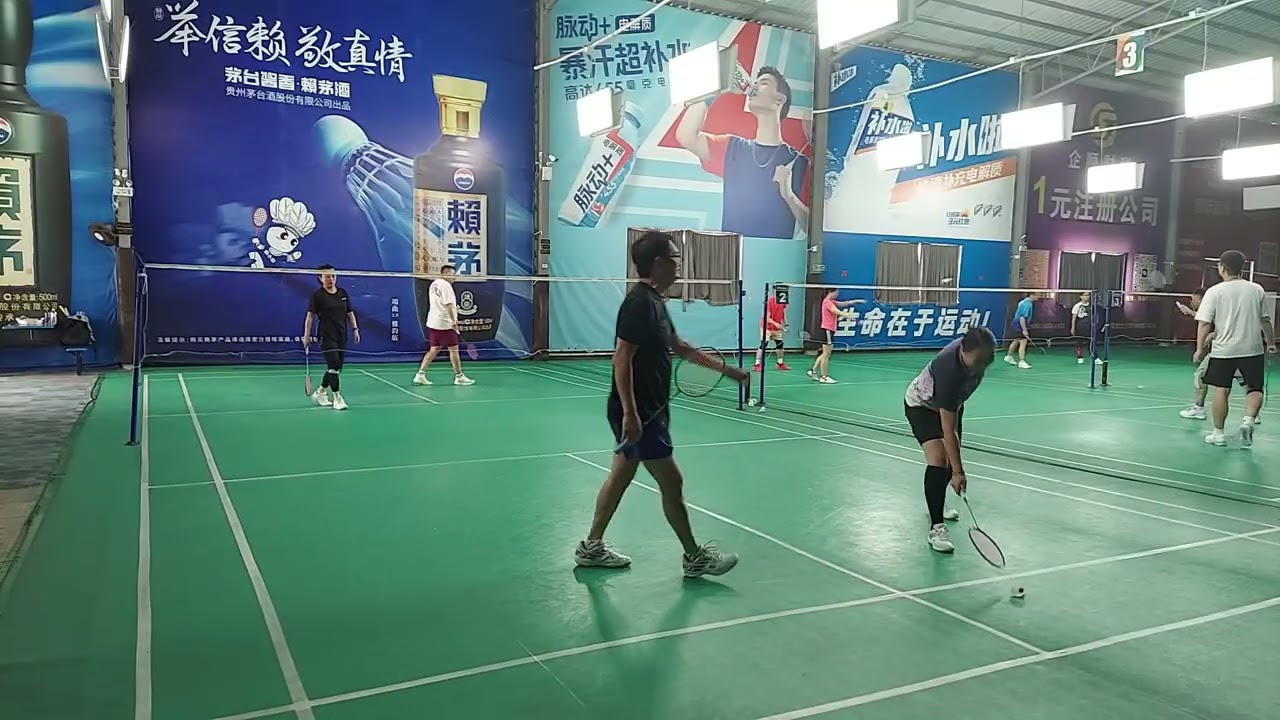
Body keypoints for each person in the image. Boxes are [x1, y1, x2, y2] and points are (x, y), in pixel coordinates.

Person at [574, 231, 749, 578]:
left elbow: (679, 346)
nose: (678, 266)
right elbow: (621, 359)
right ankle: (694, 556)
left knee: (620, 477)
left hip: (647, 409)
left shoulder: (655, 302)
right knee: (673, 483)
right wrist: (631, 413)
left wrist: (725, 370)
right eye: (674, 259)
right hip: (641, 413)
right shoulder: (638, 303)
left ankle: (591, 546)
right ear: (657, 263)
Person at [675, 67, 811, 239]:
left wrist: (789, 196)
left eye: (763, 83)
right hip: (731, 257)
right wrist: (715, 88)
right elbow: (686, 136)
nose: (754, 86)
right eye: (754, 82)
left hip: (775, 259)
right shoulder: (732, 147)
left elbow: (813, 229)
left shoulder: (800, 162)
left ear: (779, 99)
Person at [904, 327, 997, 553]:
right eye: (979, 360)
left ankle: (937, 498)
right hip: (922, 406)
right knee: (940, 459)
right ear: (963, 351)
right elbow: (948, 429)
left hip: (953, 405)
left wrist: (956, 469)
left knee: (951, 459)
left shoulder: (973, 354)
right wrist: (958, 473)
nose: (983, 365)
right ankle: (936, 526)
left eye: (988, 360)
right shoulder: (949, 373)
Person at [1194, 251, 1276, 447]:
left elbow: (1204, 323)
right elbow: (1265, 320)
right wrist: (1271, 343)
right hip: (1252, 349)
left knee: (1222, 389)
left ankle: (1218, 434)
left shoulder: (1215, 291)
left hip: (1224, 350)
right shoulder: (1256, 289)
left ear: (1222, 267)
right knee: (1254, 388)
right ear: (1242, 267)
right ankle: (1248, 420)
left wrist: (1199, 348)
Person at [303, 264, 360, 411]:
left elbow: (350, 312)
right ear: (320, 278)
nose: (331, 279)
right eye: (327, 276)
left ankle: (321, 392)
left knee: (336, 367)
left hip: (341, 334)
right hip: (326, 335)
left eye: (333, 276)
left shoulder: (343, 293)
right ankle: (337, 398)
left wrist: (355, 329)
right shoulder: (318, 295)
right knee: (333, 365)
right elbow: (310, 317)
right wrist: (306, 335)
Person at [413, 265, 475, 387]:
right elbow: (448, 305)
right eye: (452, 274)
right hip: (444, 323)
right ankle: (459, 376)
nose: (454, 277)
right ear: (445, 273)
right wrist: (453, 321)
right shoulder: (446, 286)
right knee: (454, 350)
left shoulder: (434, 284)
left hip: (433, 322)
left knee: (434, 349)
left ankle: (420, 374)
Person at [808, 288, 864, 384]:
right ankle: (824, 377)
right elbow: (835, 311)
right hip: (827, 330)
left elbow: (843, 304)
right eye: (836, 292)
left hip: (829, 330)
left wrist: (854, 301)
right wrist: (848, 315)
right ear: (830, 292)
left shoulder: (831, 301)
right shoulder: (827, 302)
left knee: (825, 353)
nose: (837, 294)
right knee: (827, 354)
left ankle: (813, 371)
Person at [754, 291, 790, 372]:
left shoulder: (783, 301)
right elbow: (767, 317)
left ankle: (780, 363)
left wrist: (786, 324)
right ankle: (757, 364)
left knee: (780, 344)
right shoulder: (770, 301)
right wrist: (776, 324)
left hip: (777, 328)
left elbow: (783, 313)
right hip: (766, 327)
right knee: (763, 344)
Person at [1069, 291, 1104, 366]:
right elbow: (1074, 318)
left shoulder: (1091, 306)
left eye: (1088, 295)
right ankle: (1080, 358)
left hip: (1089, 328)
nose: (1087, 297)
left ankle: (1095, 358)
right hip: (1080, 327)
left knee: (1091, 344)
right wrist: (1073, 327)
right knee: (1079, 343)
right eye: (1085, 295)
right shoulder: (1077, 306)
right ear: (1081, 296)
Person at [1005, 292, 1034, 369]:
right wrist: (1024, 330)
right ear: (1031, 295)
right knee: (1023, 342)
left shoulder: (1024, 302)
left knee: (1016, 340)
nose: (1038, 296)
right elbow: (1022, 318)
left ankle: (1009, 356)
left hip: (1015, 325)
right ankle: (1021, 361)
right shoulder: (1026, 304)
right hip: (1019, 325)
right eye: (1037, 295)